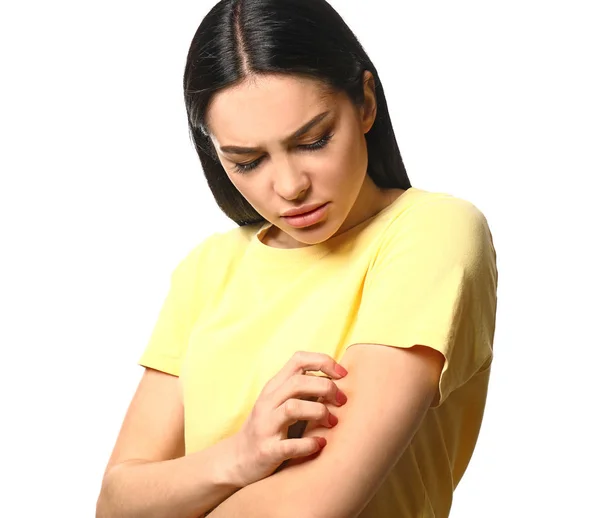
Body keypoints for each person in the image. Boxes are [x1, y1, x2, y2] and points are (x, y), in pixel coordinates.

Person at [96, 0, 498, 516]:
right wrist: (239, 456)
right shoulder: (208, 268)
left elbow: (312, 504)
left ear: (366, 103)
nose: (289, 187)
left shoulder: (431, 232)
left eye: (313, 140)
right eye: (248, 161)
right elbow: (116, 501)